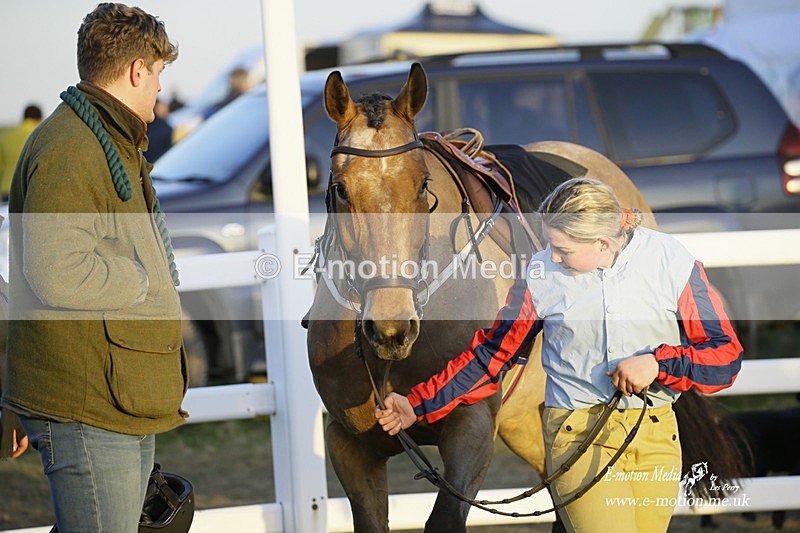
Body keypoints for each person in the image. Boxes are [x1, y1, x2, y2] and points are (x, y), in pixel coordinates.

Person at [375, 177, 744, 532]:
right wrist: (418, 404)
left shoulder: (671, 261)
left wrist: (658, 364)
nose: (552, 256)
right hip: (577, 434)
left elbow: (724, 356)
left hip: (657, 437)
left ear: (602, 243)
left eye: (563, 249)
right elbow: (492, 354)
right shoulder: (541, 274)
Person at [0, 4, 188, 532]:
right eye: (157, 74)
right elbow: (58, 269)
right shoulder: (71, 147)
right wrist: (141, 279)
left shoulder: (103, 137)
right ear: (135, 70)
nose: (159, 89)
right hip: (88, 405)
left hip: (112, 395)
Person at [0, 104, 43, 200]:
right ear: (39, 119)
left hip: (7, 188)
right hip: (28, 188)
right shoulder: (40, 135)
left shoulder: (6, 137)